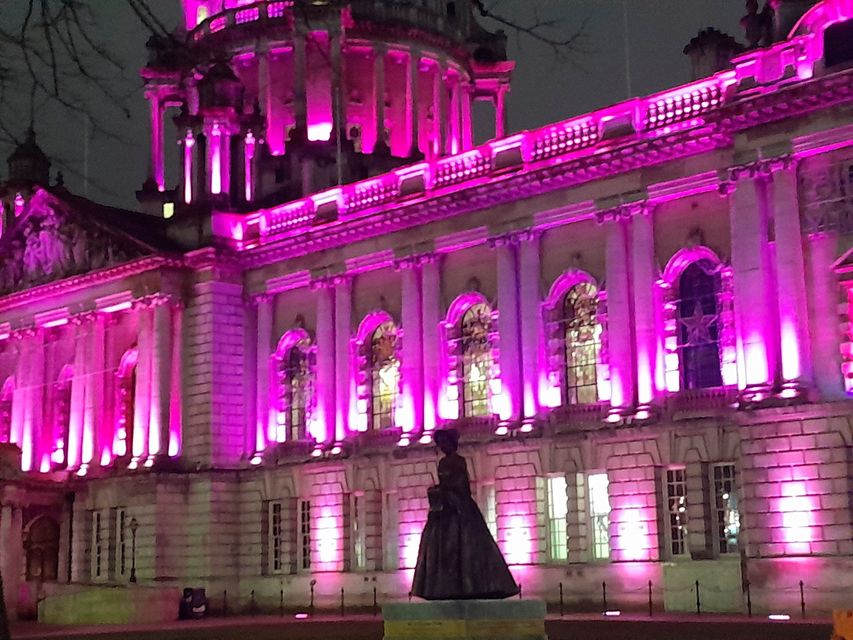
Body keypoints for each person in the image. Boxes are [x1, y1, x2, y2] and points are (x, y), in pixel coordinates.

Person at [411, 429, 519, 600]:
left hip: (459, 505)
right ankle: (441, 586)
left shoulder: (458, 461)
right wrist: (438, 490)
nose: (442, 446)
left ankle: (470, 585)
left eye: (444, 442)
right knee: (439, 544)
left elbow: (462, 485)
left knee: (466, 545)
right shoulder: (443, 463)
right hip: (445, 506)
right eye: (440, 444)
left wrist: (446, 490)